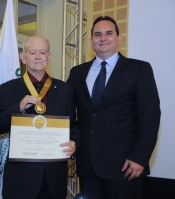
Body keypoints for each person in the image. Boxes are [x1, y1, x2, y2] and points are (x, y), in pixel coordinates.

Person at [66, 16, 161, 199]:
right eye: (97, 34)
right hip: (88, 167)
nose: (103, 38)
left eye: (109, 33)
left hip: (125, 167)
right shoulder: (77, 73)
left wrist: (140, 157)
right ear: (92, 40)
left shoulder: (139, 69)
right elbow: (68, 112)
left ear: (119, 38)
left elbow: (150, 118)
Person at [0, 35, 80, 199]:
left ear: (49, 57)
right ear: (23, 57)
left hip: (54, 178)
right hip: (20, 179)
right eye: (32, 53)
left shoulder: (65, 90)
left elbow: (72, 126)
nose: (38, 57)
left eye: (42, 52)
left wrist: (74, 142)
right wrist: (18, 107)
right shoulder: (8, 89)